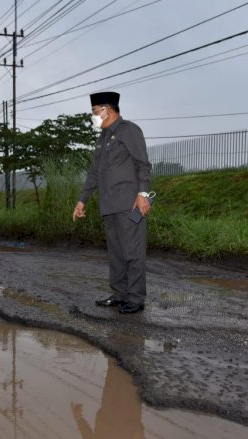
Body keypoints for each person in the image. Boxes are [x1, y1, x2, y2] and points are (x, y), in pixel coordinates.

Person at [72, 92, 152, 314]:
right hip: (109, 206)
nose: (93, 116)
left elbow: (143, 165)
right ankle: (120, 294)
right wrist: (82, 200)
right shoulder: (103, 137)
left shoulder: (129, 130)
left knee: (133, 252)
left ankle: (135, 298)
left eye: (95, 111)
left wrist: (143, 194)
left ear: (108, 109)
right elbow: (94, 172)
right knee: (116, 252)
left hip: (130, 204)